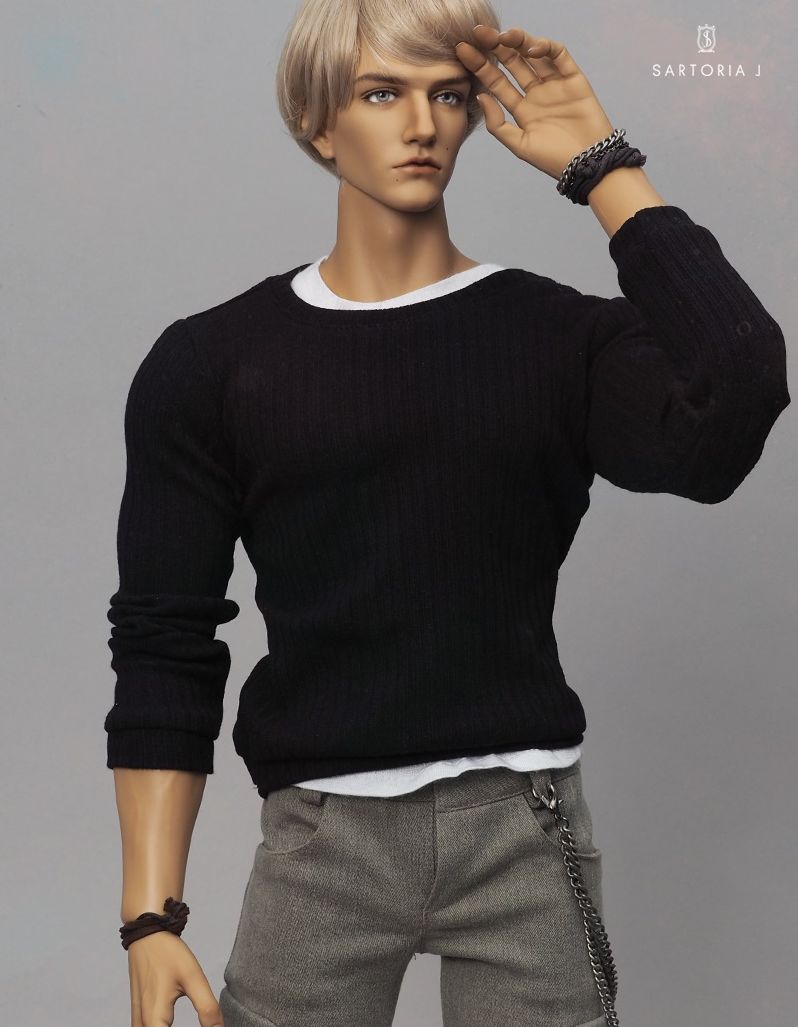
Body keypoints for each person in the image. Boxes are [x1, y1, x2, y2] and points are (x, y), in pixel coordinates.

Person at [105, 1, 791, 1025]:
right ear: (319, 123)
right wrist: (149, 916)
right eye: (382, 93)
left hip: (524, 828)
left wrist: (602, 165)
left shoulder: (557, 339)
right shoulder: (211, 365)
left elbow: (735, 391)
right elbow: (166, 637)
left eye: (449, 95)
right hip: (324, 842)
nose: (422, 125)